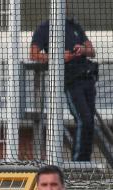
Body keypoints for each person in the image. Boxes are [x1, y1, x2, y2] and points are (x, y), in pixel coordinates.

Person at [30, 18, 97, 162]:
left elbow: (92, 51)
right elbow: (34, 54)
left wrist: (83, 50)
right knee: (83, 119)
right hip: (70, 81)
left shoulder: (74, 25)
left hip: (87, 77)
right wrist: (59, 57)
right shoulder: (45, 27)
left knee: (90, 121)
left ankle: (85, 161)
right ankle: (79, 163)